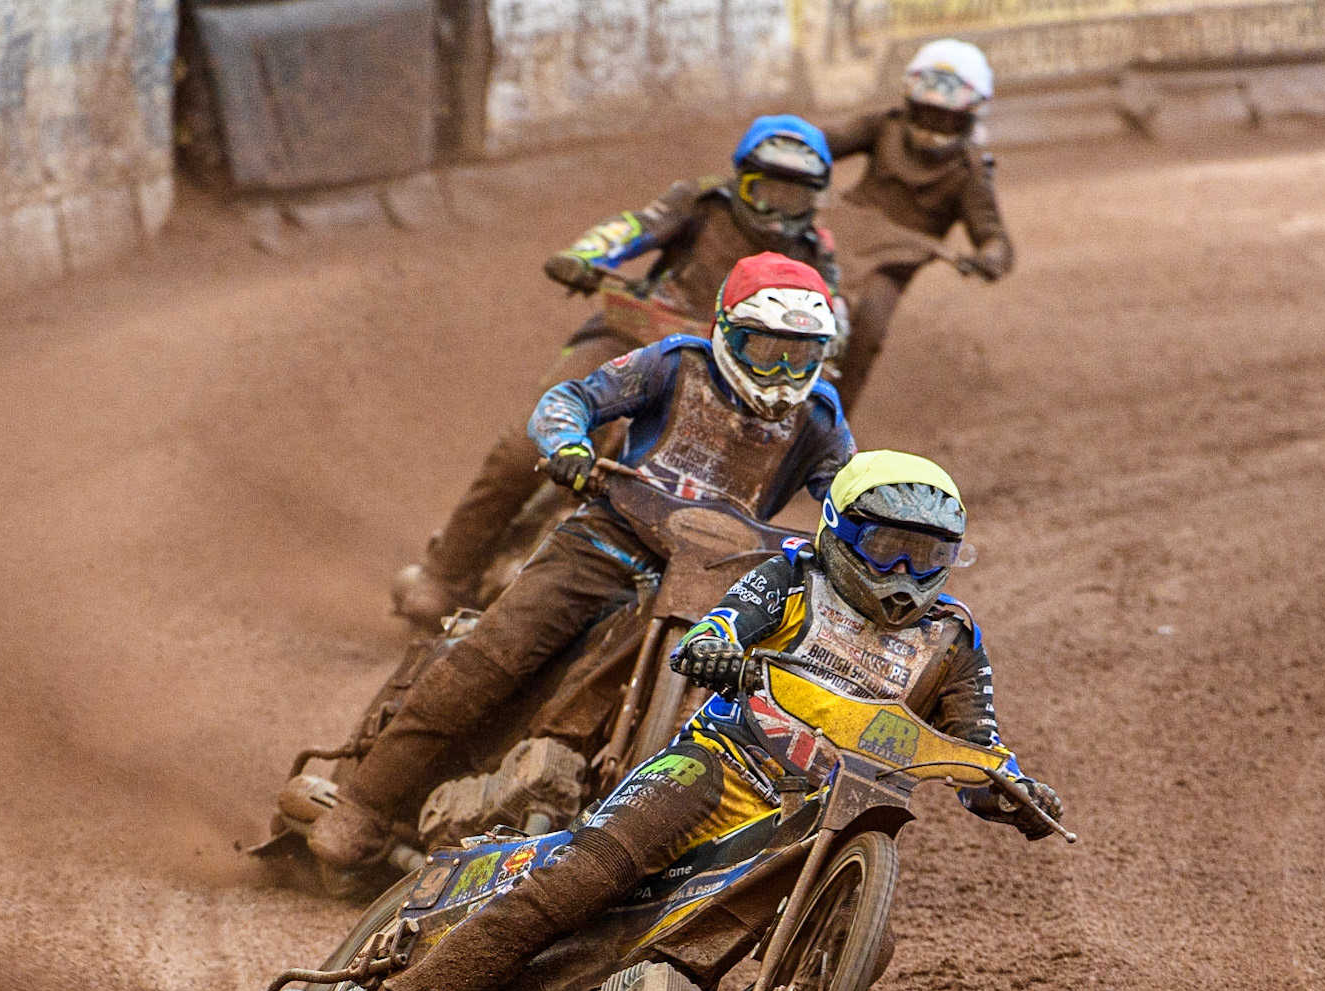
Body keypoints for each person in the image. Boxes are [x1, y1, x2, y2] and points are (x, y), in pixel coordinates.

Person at [362, 449, 1065, 991]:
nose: (904, 573)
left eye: (927, 555)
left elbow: (978, 745)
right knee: (590, 872)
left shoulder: (950, 638)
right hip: (716, 766)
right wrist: (712, 647)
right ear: (840, 532)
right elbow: (722, 625)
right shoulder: (792, 574)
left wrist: (1010, 791)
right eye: (886, 548)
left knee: (860, 938)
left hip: (817, 819)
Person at [291, 252, 855, 876]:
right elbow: (570, 398)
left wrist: (865, 539)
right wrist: (568, 444)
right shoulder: (673, 363)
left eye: (799, 355)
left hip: (718, 581)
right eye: (767, 348)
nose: (781, 370)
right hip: (607, 541)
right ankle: (366, 805)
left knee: (766, 697)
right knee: (494, 655)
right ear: (726, 331)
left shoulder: (822, 415)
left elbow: (846, 493)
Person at [391, 115, 846, 626]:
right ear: (740, 180)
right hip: (633, 337)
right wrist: (585, 254)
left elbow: (835, 311)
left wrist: (828, 351)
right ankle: (443, 572)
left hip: (725, 373)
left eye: (795, 197)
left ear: (817, 199)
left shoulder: (815, 250)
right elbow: (632, 227)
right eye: (766, 190)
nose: (777, 211)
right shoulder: (700, 202)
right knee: (522, 449)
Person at [819, 40, 1013, 412]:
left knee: (867, 326)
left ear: (970, 115)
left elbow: (994, 236)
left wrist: (990, 257)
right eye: (926, 112)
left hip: (888, 269)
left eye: (946, 117)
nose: (933, 125)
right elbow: (824, 142)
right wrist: (787, 147)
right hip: (833, 238)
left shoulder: (968, 172)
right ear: (911, 104)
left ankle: (829, 428)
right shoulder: (884, 126)